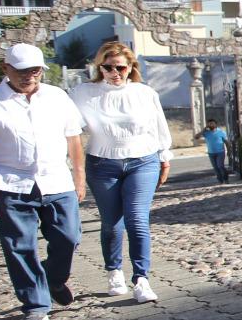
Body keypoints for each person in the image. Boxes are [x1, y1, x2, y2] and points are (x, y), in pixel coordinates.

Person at [0, 43, 86, 320]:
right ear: (5, 69)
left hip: (56, 180)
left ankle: (53, 277)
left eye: (35, 70)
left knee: (69, 237)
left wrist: (79, 177)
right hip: (10, 183)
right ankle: (35, 305)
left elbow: (73, 138)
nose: (29, 76)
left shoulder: (57, 96)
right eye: (21, 71)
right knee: (20, 247)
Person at [71, 41, 172, 303]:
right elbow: (70, 129)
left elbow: (159, 126)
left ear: (131, 68)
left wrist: (165, 157)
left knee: (137, 220)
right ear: (99, 67)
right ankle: (113, 269)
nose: (115, 73)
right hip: (102, 165)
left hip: (142, 161)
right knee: (112, 223)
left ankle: (141, 279)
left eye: (121, 67)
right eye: (108, 67)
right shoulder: (83, 93)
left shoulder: (144, 93)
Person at [203, 118, 231, 184]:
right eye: (209, 123)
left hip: (220, 152)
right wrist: (203, 129)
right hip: (211, 153)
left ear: (216, 124)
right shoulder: (206, 133)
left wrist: (229, 151)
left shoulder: (221, 132)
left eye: (212, 123)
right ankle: (220, 180)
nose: (211, 125)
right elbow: (196, 137)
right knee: (215, 168)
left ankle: (226, 179)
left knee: (220, 166)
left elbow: (226, 142)